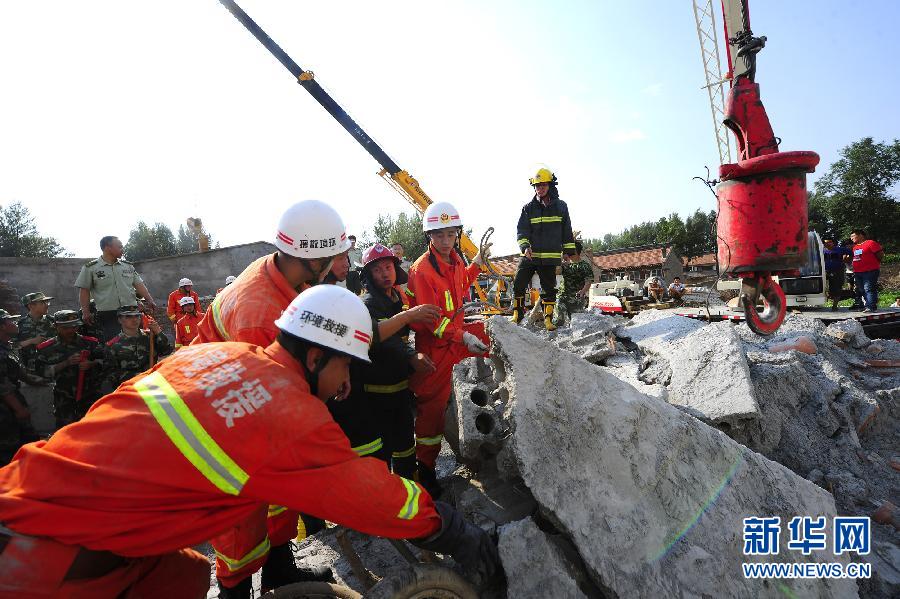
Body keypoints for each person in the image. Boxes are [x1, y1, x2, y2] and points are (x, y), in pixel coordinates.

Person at [0, 286, 501, 598]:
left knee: (186, 577)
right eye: (346, 362)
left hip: (26, 493)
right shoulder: (285, 415)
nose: (348, 377)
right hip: (42, 561)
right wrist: (452, 530)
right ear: (315, 358)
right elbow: (371, 495)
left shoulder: (224, 355)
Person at [193, 200, 441, 597]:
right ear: (314, 259)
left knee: (276, 498)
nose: (334, 267)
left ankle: (278, 570)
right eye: (332, 259)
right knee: (244, 505)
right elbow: (277, 397)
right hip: (222, 399)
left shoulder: (287, 276)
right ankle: (234, 589)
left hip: (246, 382)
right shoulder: (260, 315)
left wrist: (330, 372)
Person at [407, 201, 491, 496]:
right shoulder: (421, 271)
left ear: (457, 233)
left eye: (450, 234)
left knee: (492, 348)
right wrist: (463, 337)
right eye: (438, 235)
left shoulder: (455, 261)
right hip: (435, 346)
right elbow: (432, 321)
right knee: (432, 409)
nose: (445, 241)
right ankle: (425, 470)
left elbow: (461, 282)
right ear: (429, 236)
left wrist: (477, 263)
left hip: (456, 338)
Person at [359, 244, 434, 478]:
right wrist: (411, 355)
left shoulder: (397, 298)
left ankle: (409, 491)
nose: (384, 273)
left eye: (388, 267)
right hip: (376, 395)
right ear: (369, 275)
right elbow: (383, 339)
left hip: (400, 390)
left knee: (405, 448)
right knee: (381, 454)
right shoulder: (368, 303)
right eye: (378, 269)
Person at [511, 167, 577, 330]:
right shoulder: (528, 208)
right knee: (518, 283)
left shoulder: (561, 207)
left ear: (550, 185)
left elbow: (566, 229)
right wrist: (525, 246)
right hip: (529, 256)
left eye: (542, 185)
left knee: (549, 289)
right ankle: (517, 315)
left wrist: (568, 252)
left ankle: (548, 319)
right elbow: (522, 230)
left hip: (549, 256)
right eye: (536, 186)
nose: (539, 189)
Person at [75, 236, 157, 342]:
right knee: (113, 344)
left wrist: (150, 300)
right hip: (108, 314)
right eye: (119, 247)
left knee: (136, 342)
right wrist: (85, 311)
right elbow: (84, 290)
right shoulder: (91, 268)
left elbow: (139, 284)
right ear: (107, 248)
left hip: (131, 312)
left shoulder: (128, 266)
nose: (122, 249)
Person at [35, 310, 106, 430]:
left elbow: (106, 362)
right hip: (64, 398)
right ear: (56, 326)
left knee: (93, 430)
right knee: (66, 431)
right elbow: (43, 372)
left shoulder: (90, 343)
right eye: (65, 327)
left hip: (90, 395)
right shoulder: (47, 348)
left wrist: (92, 364)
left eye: (74, 326)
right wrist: (66, 363)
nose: (70, 331)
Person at [0, 310, 39, 465]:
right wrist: (18, 409)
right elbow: (2, 384)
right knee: (9, 449)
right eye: (11, 321)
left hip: (12, 401)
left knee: (28, 442)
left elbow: (15, 371)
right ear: (2, 326)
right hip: (5, 407)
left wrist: (34, 382)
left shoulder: (6, 346)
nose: (16, 323)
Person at [105, 306, 172, 388]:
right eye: (128, 316)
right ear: (120, 320)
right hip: (128, 388)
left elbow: (166, 351)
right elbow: (110, 373)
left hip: (153, 384)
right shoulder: (113, 345)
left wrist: (158, 332)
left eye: (137, 316)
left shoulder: (150, 336)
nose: (134, 319)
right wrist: (137, 376)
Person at [552, 241, 594, 327]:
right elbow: (556, 271)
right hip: (562, 296)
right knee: (558, 320)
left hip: (576, 299)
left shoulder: (584, 266)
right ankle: (554, 337)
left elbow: (588, 281)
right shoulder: (565, 265)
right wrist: (560, 258)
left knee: (576, 323)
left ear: (575, 251)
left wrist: (583, 291)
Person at [15, 292, 55, 376]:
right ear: (31, 306)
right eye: (42, 303)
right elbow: (11, 346)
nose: (47, 305)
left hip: (51, 371)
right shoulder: (19, 325)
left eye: (47, 302)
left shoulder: (54, 322)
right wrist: (30, 341)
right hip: (27, 374)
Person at [847, 229, 884, 312]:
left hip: (870, 271)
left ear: (860, 235)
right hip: (858, 272)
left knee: (869, 289)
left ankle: (871, 307)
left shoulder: (870, 243)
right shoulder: (855, 247)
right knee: (861, 290)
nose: (851, 238)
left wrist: (873, 264)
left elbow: (880, 255)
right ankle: (867, 305)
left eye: (853, 236)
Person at [822, 239, 850, 309]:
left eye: (830, 242)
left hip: (837, 271)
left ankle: (835, 305)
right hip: (824, 271)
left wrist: (847, 259)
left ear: (833, 243)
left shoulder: (840, 249)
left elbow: (851, 252)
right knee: (821, 286)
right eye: (826, 243)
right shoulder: (822, 250)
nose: (828, 244)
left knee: (836, 288)